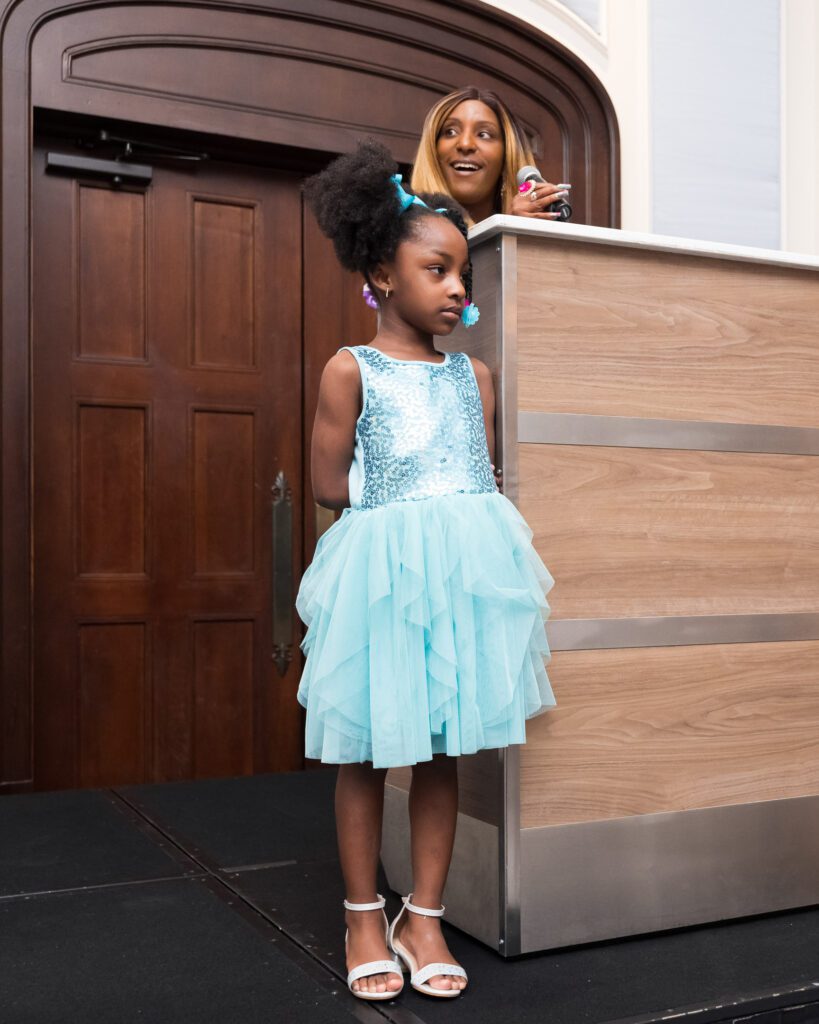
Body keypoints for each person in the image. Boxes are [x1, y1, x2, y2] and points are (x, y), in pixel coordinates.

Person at [296, 139, 556, 1002]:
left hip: (461, 580)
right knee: (366, 751)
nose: (456, 288)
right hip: (382, 582)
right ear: (381, 270)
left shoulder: (472, 377)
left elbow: (475, 476)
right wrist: (399, 526)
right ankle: (363, 913)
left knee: (443, 748)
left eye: (462, 277)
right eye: (437, 270)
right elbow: (331, 487)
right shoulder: (350, 370)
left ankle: (426, 914)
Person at [410, 85, 570, 225]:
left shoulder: (526, 228)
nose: (465, 144)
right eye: (450, 132)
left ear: (506, 157)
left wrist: (523, 235)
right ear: (433, 150)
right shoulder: (399, 230)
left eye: (484, 134)